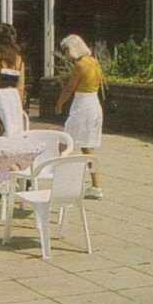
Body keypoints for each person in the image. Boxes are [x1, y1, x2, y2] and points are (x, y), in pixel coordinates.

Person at [56, 34, 104, 198]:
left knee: (64, 142)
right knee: (87, 146)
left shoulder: (80, 65)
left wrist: (59, 104)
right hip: (94, 103)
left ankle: (62, 180)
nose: (65, 55)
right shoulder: (94, 62)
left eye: (66, 51)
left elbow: (70, 89)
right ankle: (96, 186)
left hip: (82, 105)